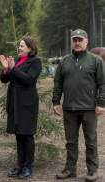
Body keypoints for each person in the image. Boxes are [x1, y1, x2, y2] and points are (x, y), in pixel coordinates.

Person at [53, 29, 105, 182]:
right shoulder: (64, 61)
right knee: (70, 142)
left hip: (89, 108)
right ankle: (70, 169)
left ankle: (92, 170)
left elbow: (103, 84)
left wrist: (101, 103)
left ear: (86, 42)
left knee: (91, 141)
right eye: (74, 40)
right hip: (69, 108)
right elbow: (58, 83)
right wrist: (56, 101)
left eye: (80, 40)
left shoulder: (96, 61)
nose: (77, 42)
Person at [0, 36, 41, 179]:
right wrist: (5, 70)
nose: (19, 48)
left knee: (27, 134)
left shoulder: (35, 62)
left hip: (27, 102)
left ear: (30, 48)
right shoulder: (16, 61)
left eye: (22, 46)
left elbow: (29, 80)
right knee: (18, 134)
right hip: (14, 101)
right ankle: (19, 165)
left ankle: (28, 167)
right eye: (19, 46)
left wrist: (13, 69)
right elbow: (5, 80)